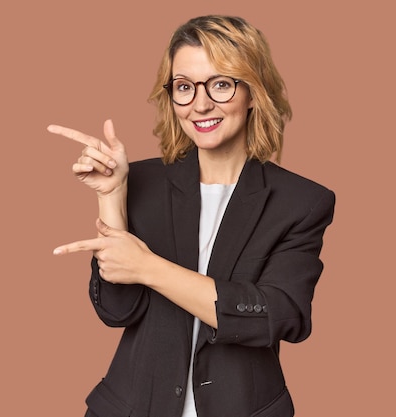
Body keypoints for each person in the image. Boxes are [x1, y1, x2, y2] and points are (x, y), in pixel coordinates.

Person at [49, 15, 335, 417]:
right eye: (184, 87)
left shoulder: (301, 201)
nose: (200, 104)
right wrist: (112, 196)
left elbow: (277, 315)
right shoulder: (141, 181)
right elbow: (117, 311)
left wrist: (148, 268)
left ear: (253, 92)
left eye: (220, 84)